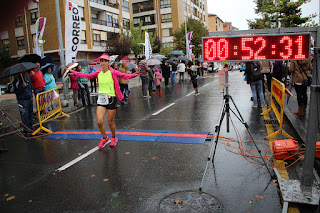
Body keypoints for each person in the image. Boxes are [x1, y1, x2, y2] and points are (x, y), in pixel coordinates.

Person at [68, 54, 139, 148]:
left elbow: (124, 75)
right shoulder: (98, 72)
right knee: (99, 121)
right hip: (101, 99)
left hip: (111, 99)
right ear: (100, 63)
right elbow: (87, 75)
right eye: (102, 61)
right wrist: (74, 72)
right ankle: (105, 138)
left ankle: (114, 137)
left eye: (105, 61)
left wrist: (134, 74)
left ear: (109, 63)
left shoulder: (113, 72)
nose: (103, 63)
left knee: (110, 122)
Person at [13, 71, 33, 136]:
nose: (25, 74)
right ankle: (26, 129)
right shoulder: (17, 81)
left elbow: (30, 86)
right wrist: (22, 87)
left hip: (29, 99)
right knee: (25, 115)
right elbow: (16, 91)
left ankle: (30, 127)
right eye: (23, 73)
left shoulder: (26, 79)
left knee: (30, 114)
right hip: (22, 100)